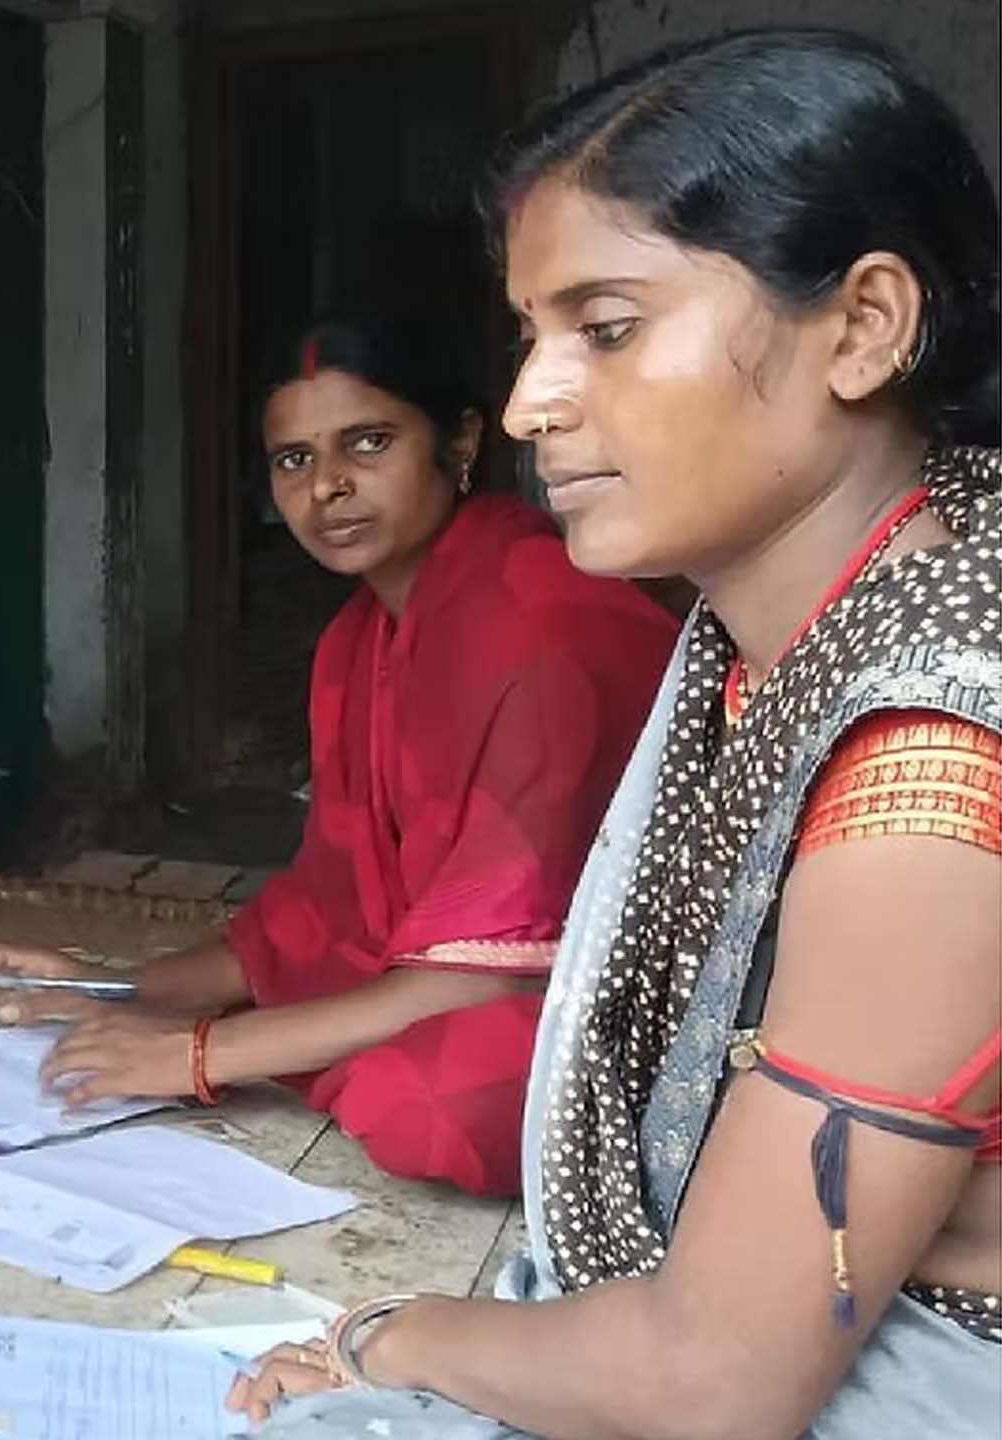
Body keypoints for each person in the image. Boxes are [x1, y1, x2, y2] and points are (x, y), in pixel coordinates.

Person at [231, 29, 1002, 1437]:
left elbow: (716, 1383)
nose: (535, 401)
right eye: (533, 335)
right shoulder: (778, 635)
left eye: (605, 327)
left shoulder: (936, 751)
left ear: (863, 327)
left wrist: (388, 1334)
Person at [0, 311, 678, 1198]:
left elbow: (498, 974)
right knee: (352, 1032)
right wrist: (129, 993)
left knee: (438, 1104)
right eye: (294, 459)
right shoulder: (357, 641)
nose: (328, 487)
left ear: (459, 442)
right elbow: (330, 911)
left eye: (369, 442)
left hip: (629, 1001)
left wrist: (199, 1052)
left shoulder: (539, 626)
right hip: (458, 979)